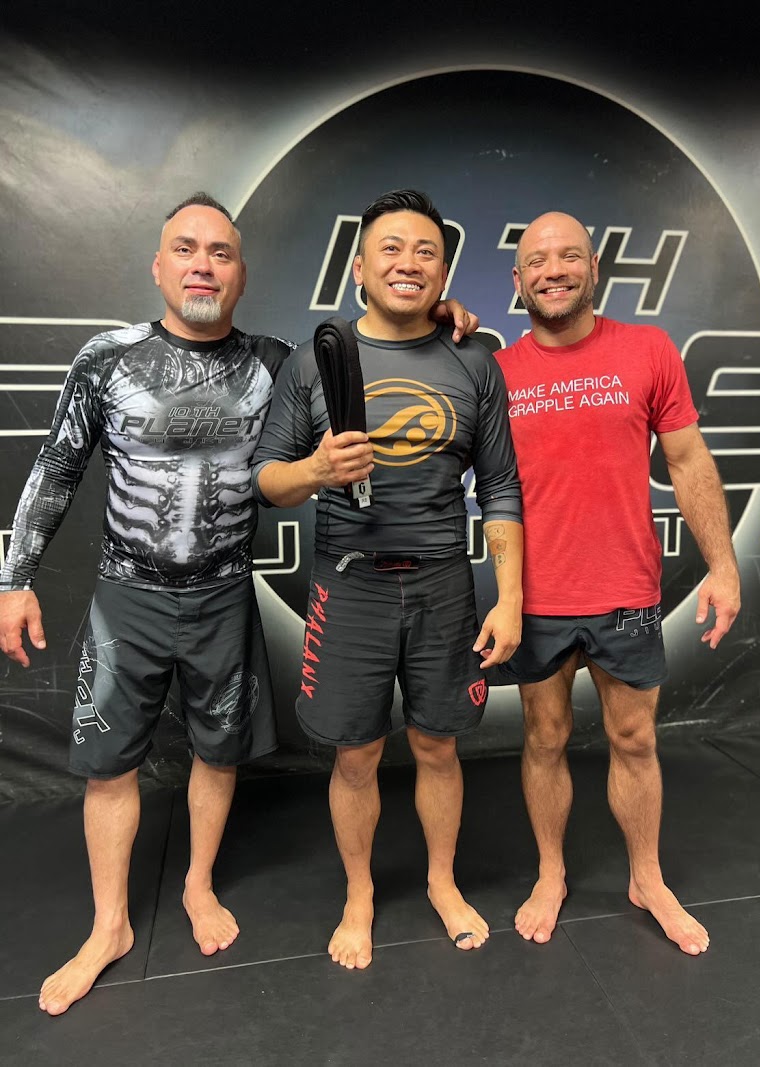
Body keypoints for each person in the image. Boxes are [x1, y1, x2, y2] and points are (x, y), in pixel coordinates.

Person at [0, 191, 480, 1015]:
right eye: (186, 249)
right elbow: (56, 465)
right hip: (127, 596)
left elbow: (364, 353)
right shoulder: (107, 358)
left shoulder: (276, 361)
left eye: (220, 253)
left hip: (223, 593)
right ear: (158, 265)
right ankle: (109, 925)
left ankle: (196, 883)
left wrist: (438, 311)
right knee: (108, 766)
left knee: (216, 753)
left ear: (242, 275)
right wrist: (14, 580)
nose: (203, 265)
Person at [252, 189, 523, 970]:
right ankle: (360, 894)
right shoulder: (318, 358)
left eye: (426, 251)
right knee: (355, 756)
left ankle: (441, 881)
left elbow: (501, 489)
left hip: (444, 586)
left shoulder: (474, 361)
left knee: (438, 746)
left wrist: (510, 597)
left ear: (444, 271)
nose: (409, 263)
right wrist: (315, 468)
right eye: (391, 249)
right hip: (350, 588)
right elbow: (267, 479)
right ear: (360, 266)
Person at [495, 211, 741, 956]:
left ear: (593, 268)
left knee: (634, 738)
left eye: (570, 256)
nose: (554, 270)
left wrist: (723, 565)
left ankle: (647, 878)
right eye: (539, 261)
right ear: (518, 280)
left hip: (625, 590)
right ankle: (551, 873)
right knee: (544, 737)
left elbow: (688, 461)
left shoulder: (647, 350)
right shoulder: (495, 371)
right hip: (536, 597)